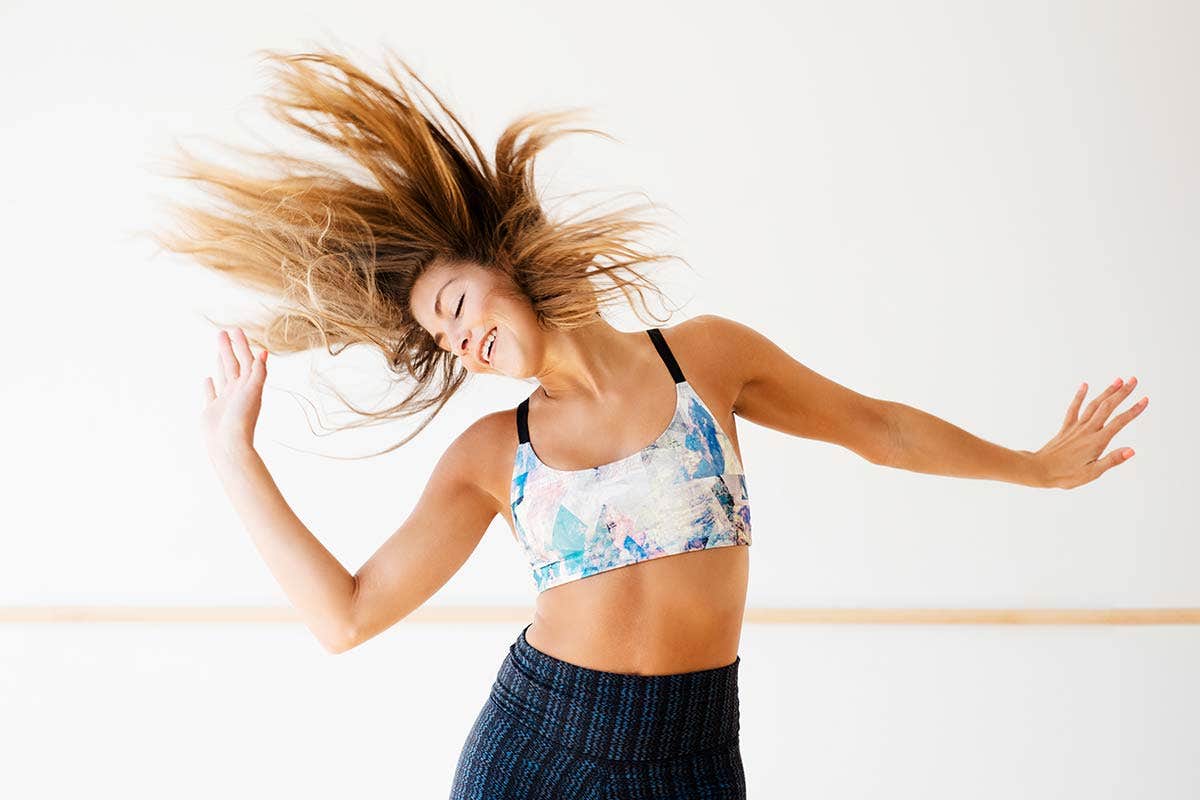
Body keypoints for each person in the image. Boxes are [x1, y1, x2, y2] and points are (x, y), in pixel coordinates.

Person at [158, 46, 1148, 800]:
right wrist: (231, 452)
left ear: (507, 261)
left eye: (458, 304)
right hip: (535, 743)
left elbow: (874, 426)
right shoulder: (493, 453)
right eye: (441, 338)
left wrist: (1036, 466)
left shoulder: (705, 358)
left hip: (693, 751)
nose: (460, 340)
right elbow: (347, 613)